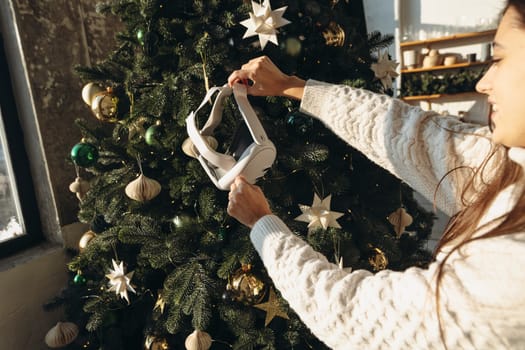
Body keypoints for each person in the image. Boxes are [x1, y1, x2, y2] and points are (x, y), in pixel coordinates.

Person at [226, 1, 525, 349]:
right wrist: (293, 86)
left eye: (500, 58)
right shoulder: (512, 166)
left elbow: (358, 315)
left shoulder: (510, 269)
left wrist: (263, 225)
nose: (483, 82)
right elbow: (413, 137)